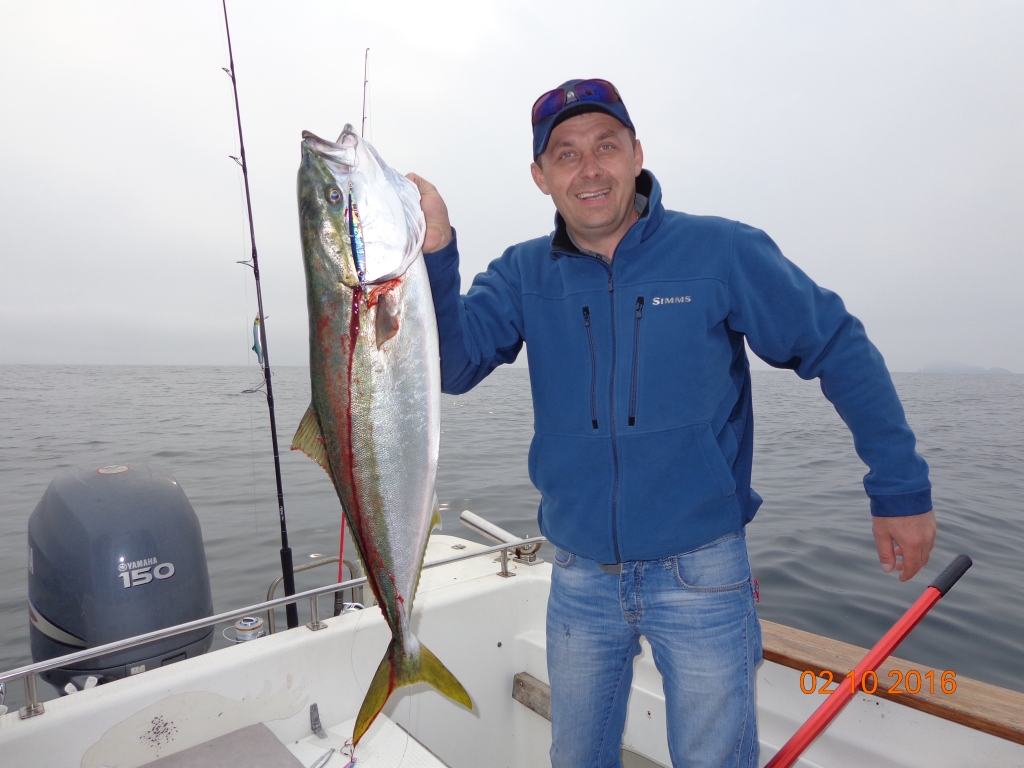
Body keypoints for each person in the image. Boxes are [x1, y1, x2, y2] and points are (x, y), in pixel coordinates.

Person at [407, 78, 936, 768]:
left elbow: (837, 345)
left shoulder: (721, 251)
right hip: (578, 575)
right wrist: (435, 250)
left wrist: (900, 489)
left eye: (606, 146)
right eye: (565, 154)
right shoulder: (521, 273)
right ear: (540, 176)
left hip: (703, 571)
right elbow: (453, 366)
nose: (589, 168)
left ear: (637, 155)